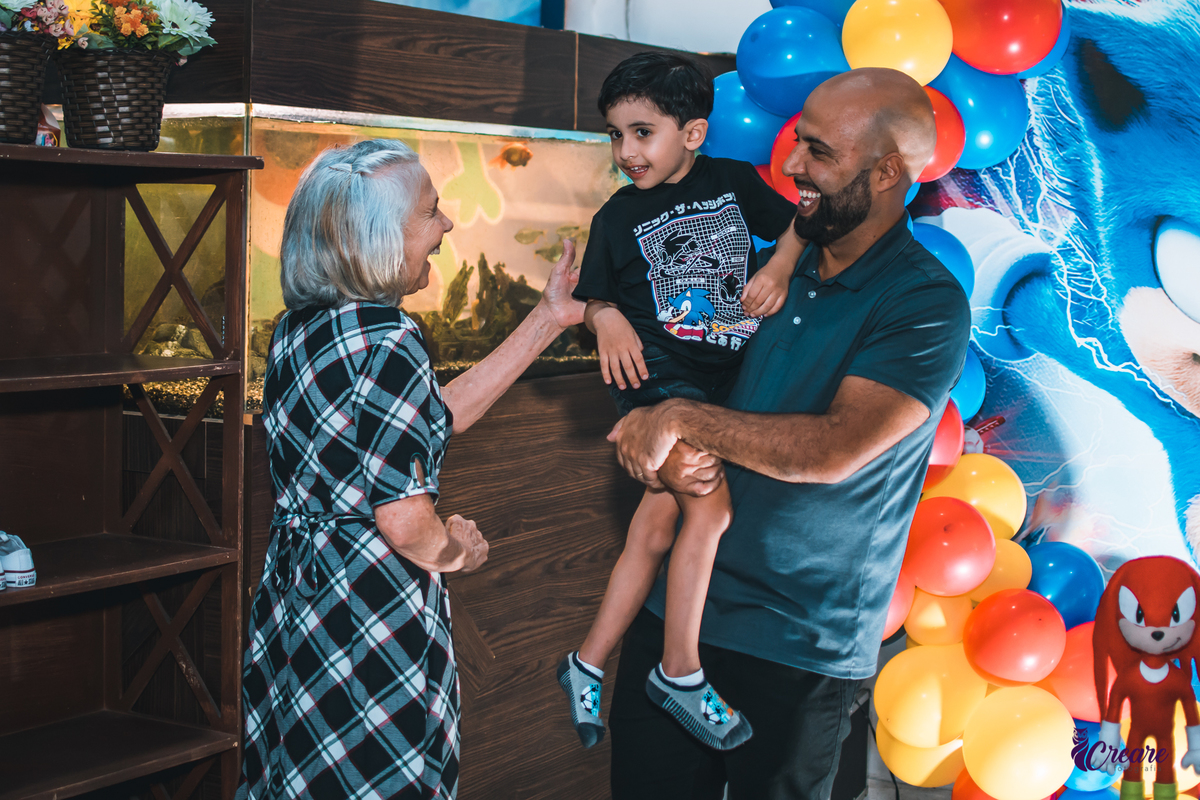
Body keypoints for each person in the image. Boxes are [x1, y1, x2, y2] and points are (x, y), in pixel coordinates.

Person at [605, 68, 973, 799]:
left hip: (799, 645)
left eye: (819, 153)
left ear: (887, 173)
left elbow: (832, 448)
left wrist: (675, 421)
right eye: (797, 141)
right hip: (678, 612)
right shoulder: (767, 261)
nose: (793, 165)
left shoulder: (925, 302)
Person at [238, 139, 584, 800]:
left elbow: (435, 413)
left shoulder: (298, 328)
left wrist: (546, 320)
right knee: (378, 774)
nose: (447, 226)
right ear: (377, 236)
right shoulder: (391, 339)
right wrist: (457, 553)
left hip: (297, 597)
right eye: (431, 212)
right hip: (366, 603)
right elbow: (404, 523)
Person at [556, 51, 805, 752]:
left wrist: (780, 265)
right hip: (654, 379)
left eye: (642, 132)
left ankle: (586, 662)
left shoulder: (730, 183)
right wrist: (603, 316)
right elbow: (595, 296)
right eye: (615, 135)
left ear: (692, 133)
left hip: (719, 380)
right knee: (711, 505)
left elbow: (795, 226)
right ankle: (679, 670)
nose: (625, 151)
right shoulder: (615, 217)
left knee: (656, 525)